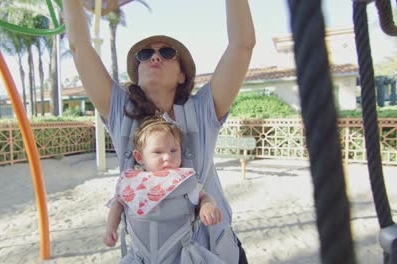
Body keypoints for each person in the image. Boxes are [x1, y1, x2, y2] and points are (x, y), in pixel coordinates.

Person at [63, 0, 255, 263]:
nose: (154, 56)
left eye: (167, 53)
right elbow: (79, 47)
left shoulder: (202, 111)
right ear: (137, 74)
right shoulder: (121, 111)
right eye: (144, 54)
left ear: (182, 76)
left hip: (214, 253)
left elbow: (242, 47)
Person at [102, 116, 222, 255]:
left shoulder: (183, 180)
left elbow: (204, 196)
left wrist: (207, 206)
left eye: (173, 150)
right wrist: (110, 228)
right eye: (158, 152)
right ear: (140, 157)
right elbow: (118, 204)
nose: (167, 157)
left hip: (179, 255)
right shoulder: (133, 183)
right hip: (142, 255)